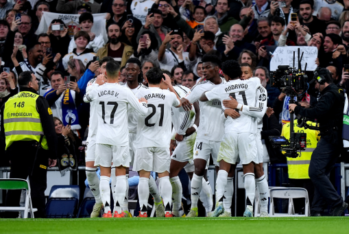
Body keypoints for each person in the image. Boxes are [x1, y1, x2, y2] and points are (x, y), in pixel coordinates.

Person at [201, 60, 267, 217]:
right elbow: (259, 110)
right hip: (247, 132)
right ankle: (249, 207)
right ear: (240, 72)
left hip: (230, 132)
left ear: (224, 74)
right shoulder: (254, 83)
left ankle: (219, 203)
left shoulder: (222, 88)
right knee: (249, 170)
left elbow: (203, 97)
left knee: (223, 169)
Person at [84, 60, 149, 218]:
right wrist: (144, 103)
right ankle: (118, 210)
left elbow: (86, 98)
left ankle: (106, 210)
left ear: (104, 74)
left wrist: (96, 84)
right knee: (120, 173)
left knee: (105, 174)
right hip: (120, 138)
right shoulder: (124, 91)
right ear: (120, 74)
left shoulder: (97, 90)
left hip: (102, 137)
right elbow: (142, 112)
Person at [289, 68, 348, 216]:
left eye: (316, 83)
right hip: (338, 139)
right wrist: (311, 106)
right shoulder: (338, 92)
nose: (315, 86)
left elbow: (317, 113)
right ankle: (318, 210)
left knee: (314, 172)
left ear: (322, 81)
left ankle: (337, 202)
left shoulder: (329, 95)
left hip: (330, 138)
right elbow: (327, 112)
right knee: (322, 173)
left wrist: (297, 109)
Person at [0, 71, 57, 218]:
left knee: (14, 187)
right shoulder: (39, 100)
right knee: (37, 187)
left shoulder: (9, 102)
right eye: (36, 80)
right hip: (35, 151)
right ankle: (40, 221)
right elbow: (49, 130)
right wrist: (53, 153)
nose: (38, 83)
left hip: (14, 151)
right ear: (30, 84)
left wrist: (6, 154)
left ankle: (8, 219)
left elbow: (3, 131)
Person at [181, 54, 226, 217]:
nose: (204, 71)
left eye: (207, 67)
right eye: (202, 68)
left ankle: (222, 207)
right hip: (203, 136)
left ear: (216, 69)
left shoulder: (228, 86)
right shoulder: (199, 87)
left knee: (223, 172)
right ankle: (193, 207)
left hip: (222, 137)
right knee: (198, 169)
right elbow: (185, 103)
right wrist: (181, 101)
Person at [133, 67, 181, 218]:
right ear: (162, 80)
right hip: (162, 141)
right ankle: (167, 210)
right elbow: (180, 104)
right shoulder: (168, 95)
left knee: (144, 177)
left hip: (143, 141)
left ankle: (142, 211)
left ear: (146, 80)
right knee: (164, 176)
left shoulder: (139, 93)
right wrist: (170, 85)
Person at [121, 58, 165, 217]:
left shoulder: (145, 91)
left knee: (143, 173)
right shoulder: (120, 89)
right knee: (122, 172)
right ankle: (124, 209)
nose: (130, 72)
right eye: (128, 69)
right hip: (123, 136)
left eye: (133, 70)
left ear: (140, 72)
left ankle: (157, 200)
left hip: (140, 136)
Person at [83, 56, 115, 218]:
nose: (104, 70)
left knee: (111, 174)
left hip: (113, 135)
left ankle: (116, 208)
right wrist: (98, 84)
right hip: (94, 134)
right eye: (102, 67)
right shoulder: (92, 84)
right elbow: (86, 96)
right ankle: (99, 200)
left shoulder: (118, 86)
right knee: (89, 171)